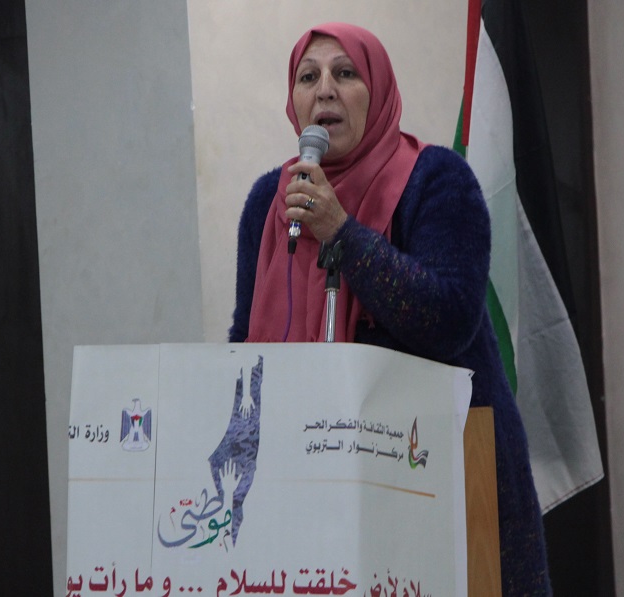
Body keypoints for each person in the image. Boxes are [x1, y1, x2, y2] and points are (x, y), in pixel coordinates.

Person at [229, 22, 551, 596]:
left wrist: (342, 232)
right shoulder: (269, 204)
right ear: (292, 100)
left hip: (444, 472)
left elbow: (449, 319)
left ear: (377, 91)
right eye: (308, 77)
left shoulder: (437, 180)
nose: (325, 90)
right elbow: (243, 344)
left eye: (345, 73)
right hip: (310, 479)